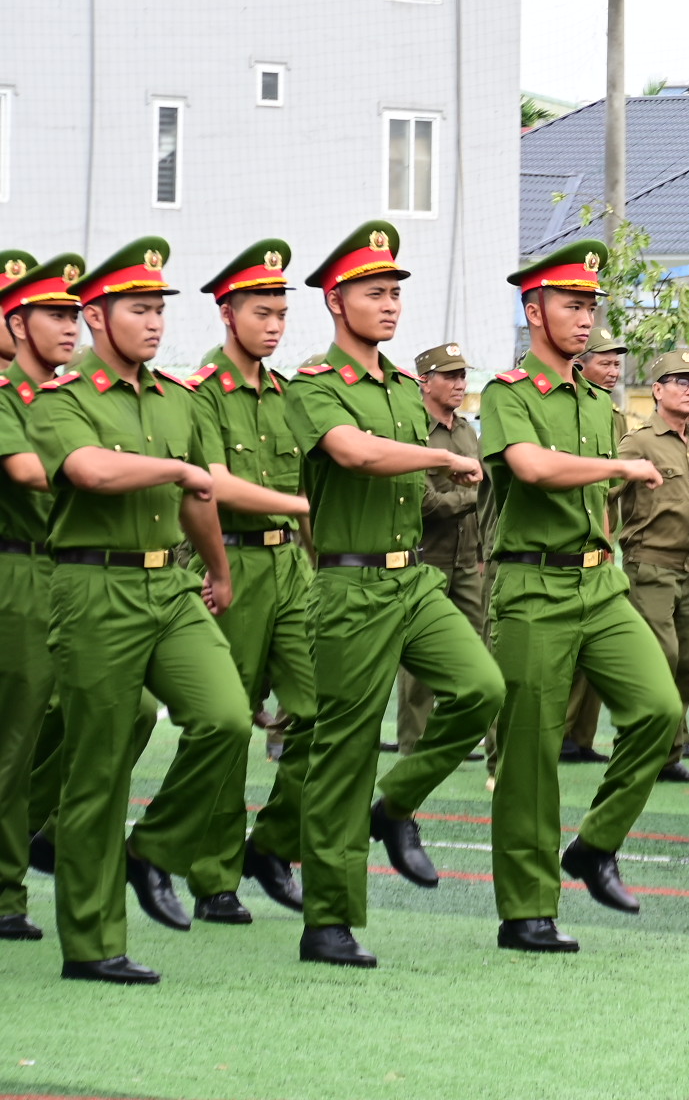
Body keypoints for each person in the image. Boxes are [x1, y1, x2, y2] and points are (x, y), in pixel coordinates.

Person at [28, 238, 252, 984]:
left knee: (226, 717)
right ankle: (92, 945)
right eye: (139, 308)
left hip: (170, 586)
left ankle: (153, 848)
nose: (155, 322)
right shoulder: (60, 400)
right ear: (96, 315)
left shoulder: (179, 399)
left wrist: (217, 571)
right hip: (93, 590)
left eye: (160, 309)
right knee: (97, 770)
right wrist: (180, 468)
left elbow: (198, 501)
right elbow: (89, 471)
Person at [287, 222, 505, 967]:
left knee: (481, 689)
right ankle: (328, 921)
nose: (389, 306)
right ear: (333, 299)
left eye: (395, 294)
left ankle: (395, 803)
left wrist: (438, 458)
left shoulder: (405, 391)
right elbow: (355, 452)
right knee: (341, 755)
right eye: (374, 293)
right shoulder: (314, 386)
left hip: (412, 578)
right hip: (348, 584)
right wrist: (439, 457)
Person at [478, 242, 681, 953]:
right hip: (533, 586)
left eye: (591, 306)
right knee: (530, 756)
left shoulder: (598, 400)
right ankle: (526, 911)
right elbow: (531, 468)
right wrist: (619, 463)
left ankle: (594, 846)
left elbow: (595, 495)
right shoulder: (507, 394)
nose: (585, 318)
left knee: (659, 712)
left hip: (600, 581)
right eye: (571, 304)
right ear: (534, 311)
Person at [180, 242, 317, 924]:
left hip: (290, 567)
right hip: (229, 565)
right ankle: (213, 877)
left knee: (320, 709)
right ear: (226, 312)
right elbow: (211, 484)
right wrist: (299, 508)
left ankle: (271, 844)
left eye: (283, 314)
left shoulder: (287, 394)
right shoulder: (201, 395)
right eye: (262, 312)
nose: (274, 325)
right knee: (228, 724)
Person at [0, 252, 82, 944]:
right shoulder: (2, 392)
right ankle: (4, 891)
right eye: (57, 315)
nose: (72, 326)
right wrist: (111, 475)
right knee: (16, 734)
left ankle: (39, 829)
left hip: (75, 574)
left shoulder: (69, 396)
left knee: (131, 709)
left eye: (76, 314)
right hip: (18, 571)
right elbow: (32, 472)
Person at [393, 343, 492, 759]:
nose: (459, 384)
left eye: (462, 375)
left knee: (475, 653)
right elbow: (424, 502)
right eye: (449, 376)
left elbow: (482, 489)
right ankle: (414, 745)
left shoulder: (467, 431)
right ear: (424, 381)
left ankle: (451, 739)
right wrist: (472, 495)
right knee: (419, 665)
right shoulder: (412, 430)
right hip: (425, 558)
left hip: (468, 559)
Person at [617, 349, 689, 784]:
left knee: (684, 663)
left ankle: (669, 754)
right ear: (657, 390)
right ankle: (638, 750)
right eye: (682, 382)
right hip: (649, 564)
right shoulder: (639, 441)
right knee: (659, 659)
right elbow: (604, 493)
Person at [562, 326, 630, 761]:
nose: (613, 371)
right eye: (604, 362)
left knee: (595, 651)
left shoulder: (611, 411)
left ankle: (578, 739)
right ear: (579, 365)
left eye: (617, 363)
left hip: (600, 544)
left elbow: (612, 480)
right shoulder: (563, 405)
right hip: (561, 544)